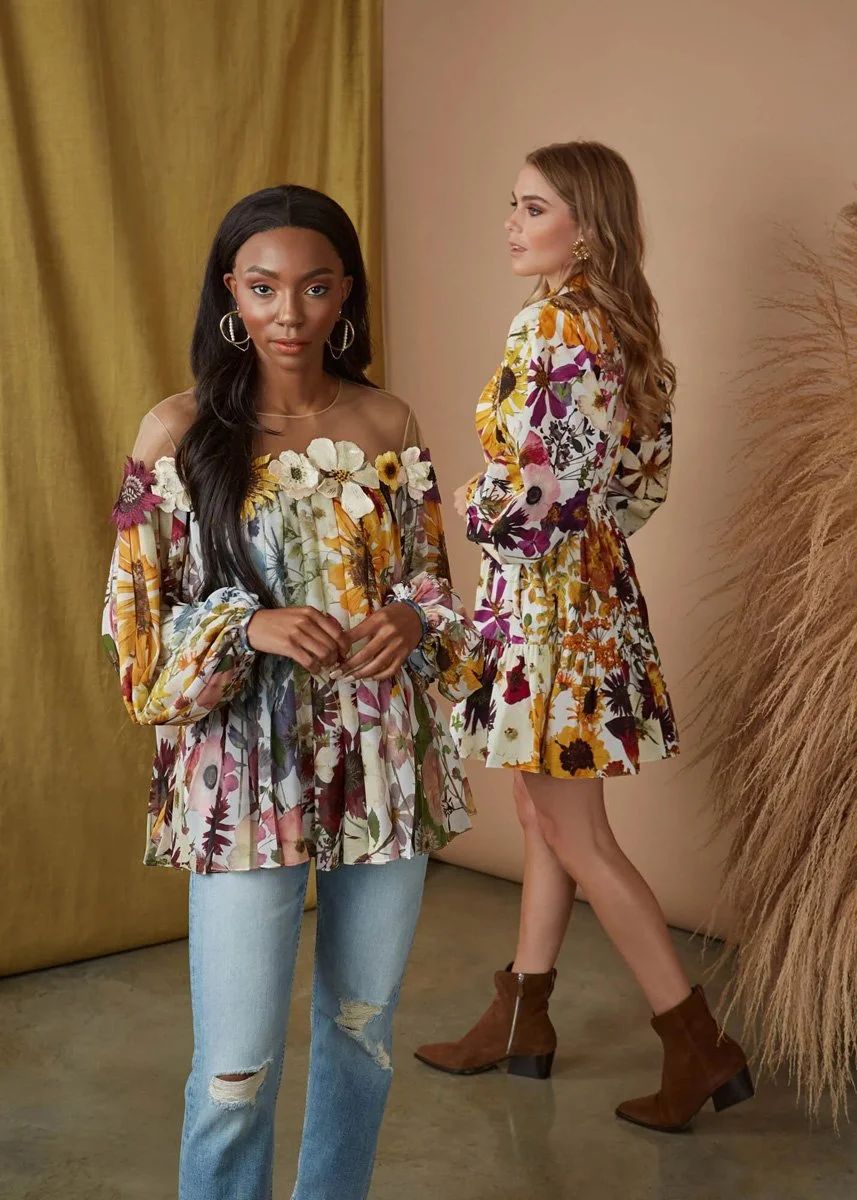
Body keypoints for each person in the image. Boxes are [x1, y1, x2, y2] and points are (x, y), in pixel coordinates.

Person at [102, 184, 476, 1199]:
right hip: (240, 780)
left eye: (314, 288)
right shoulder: (173, 432)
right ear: (230, 291)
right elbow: (133, 636)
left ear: (344, 293)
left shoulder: (387, 418)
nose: (289, 313)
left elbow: (431, 585)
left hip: (377, 764)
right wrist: (248, 623)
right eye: (264, 288)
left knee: (361, 1038)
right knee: (234, 1073)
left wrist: (406, 616)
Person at [415, 141, 754, 1133]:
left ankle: (696, 1042)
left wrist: (451, 512)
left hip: (546, 612)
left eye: (531, 207)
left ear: (586, 227)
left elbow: (533, 499)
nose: (511, 223)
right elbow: (636, 484)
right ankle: (520, 1017)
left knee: (576, 832)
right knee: (539, 818)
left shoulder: (552, 330)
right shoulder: (620, 329)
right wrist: (584, 554)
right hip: (586, 601)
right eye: (512, 206)